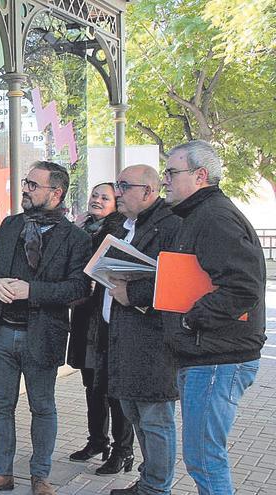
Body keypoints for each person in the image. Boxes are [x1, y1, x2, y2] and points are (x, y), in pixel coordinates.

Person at [0, 161, 92, 495]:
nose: (25, 189)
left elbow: (79, 288)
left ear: (56, 192)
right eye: (26, 182)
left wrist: (31, 291)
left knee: (43, 407)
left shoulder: (75, 238)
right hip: (1, 332)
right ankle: (0, 474)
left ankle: (40, 477)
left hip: (43, 335)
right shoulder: (11, 225)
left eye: (33, 185)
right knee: (0, 407)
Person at [161, 141, 266, 494]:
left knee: (205, 459)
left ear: (200, 175)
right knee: (202, 457)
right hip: (206, 355)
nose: (166, 181)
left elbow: (243, 288)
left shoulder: (215, 216)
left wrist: (192, 320)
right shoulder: (199, 214)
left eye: (172, 173)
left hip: (218, 357)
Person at [104, 165, 182, 495]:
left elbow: (176, 281)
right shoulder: (127, 226)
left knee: (155, 420)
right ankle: (148, 480)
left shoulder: (172, 226)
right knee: (135, 414)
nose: (118, 192)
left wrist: (131, 294)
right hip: (126, 339)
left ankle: (156, 488)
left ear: (148, 191)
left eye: (124, 186)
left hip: (154, 343)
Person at [66, 182, 134, 473]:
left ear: (116, 203)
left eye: (104, 197)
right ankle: (97, 440)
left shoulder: (118, 229)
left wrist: (80, 232)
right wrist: (78, 228)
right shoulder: (85, 228)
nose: (96, 200)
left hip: (109, 319)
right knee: (91, 385)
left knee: (113, 388)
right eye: (93, 194)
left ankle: (123, 450)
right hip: (86, 317)